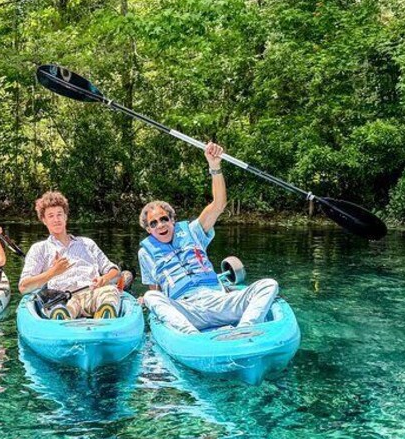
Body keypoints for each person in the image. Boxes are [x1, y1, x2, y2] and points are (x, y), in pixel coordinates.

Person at [139, 141, 279, 333]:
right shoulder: (144, 253)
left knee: (268, 285)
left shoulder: (194, 231)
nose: (160, 225)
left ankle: (245, 330)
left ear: (173, 220)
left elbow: (219, 204)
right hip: (186, 311)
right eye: (153, 223)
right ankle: (191, 338)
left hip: (218, 301)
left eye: (164, 219)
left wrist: (215, 166)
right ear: (148, 229)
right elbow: (154, 290)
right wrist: (148, 299)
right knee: (150, 297)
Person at [19, 191, 121, 319]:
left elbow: (114, 271)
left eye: (59, 214)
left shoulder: (87, 243)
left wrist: (104, 278)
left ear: (65, 217)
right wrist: (52, 272)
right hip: (64, 297)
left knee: (110, 292)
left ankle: (105, 315)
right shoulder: (39, 249)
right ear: (44, 220)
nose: (56, 220)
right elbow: (23, 287)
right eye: (51, 216)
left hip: (92, 293)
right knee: (60, 307)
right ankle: (63, 318)